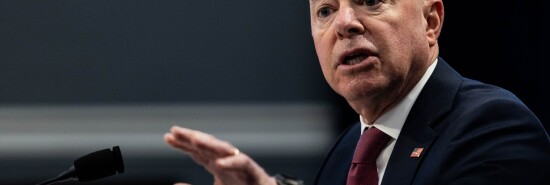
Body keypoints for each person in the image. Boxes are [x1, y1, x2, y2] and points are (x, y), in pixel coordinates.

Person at [164, 0, 550, 184]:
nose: (345, 23)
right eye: (325, 11)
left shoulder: (495, 128)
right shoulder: (347, 151)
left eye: (369, 1)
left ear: (430, 22)